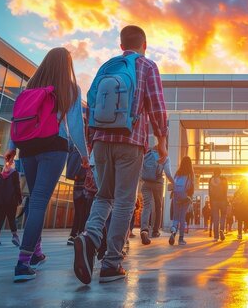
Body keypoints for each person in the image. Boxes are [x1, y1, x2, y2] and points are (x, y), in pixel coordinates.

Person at [74, 25, 169, 285]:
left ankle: (90, 237)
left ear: (121, 45)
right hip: (131, 141)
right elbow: (158, 107)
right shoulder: (147, 66)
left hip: (102, 140)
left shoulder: (107, 66)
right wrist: (162, 141)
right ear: (145, 44)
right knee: (125, 201)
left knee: (104, 195)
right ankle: (112, 263)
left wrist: (92, 142)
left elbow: (92, 104)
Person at [4, 47, 89, 283]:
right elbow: (76, 128)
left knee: (35, 198)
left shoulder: (30, 87)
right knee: (40, 200)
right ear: (66, 65)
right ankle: (23, 261)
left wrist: (12, 146)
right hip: (54, 147)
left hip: (27, 148)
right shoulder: (70, 89)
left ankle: (37, 252)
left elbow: (17, 118)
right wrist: (84, 156)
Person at [139, 145, 174, 245]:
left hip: (145, 182)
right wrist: (173, 183)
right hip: (158, 183)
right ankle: (155, 231)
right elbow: (168, 173)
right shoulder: (165, 157)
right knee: (158, 207)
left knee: (146, 206)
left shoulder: (147, 154)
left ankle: (144, 230)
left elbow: (140, 167)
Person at [0, 162, 22, 247]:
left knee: (0, 219)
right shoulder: (14, 174)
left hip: (0, 202)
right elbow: (17, 187)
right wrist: (20, 199)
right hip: (11, 201)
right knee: (11, 219)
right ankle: (15, 237)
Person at [169, 157, 194, 246]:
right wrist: (190, 197)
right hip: (185, 195)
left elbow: (173, 184)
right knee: (182, 218)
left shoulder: (178, 173)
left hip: (176, 195)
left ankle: (173, 233)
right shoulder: (190, 173)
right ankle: (181, 239)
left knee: (176, 217)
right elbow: (192, 186)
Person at [67, 147, 88, 245]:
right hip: (85, 179)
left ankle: (74, 234)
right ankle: (78, 234)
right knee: (83, 210)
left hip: (79, 179)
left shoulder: (75, 145)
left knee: (79, 211)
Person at [209, 168, 229, 242]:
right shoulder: (224, 179)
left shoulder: (211, 180)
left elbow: (210, 192)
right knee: (223, 217)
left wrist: (210, 202)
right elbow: (226, 191)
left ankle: (216, 236)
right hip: (223, 200)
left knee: (216, 218)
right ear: (220, 173)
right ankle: (221, 230)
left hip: (214, 201)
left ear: (214, 172)